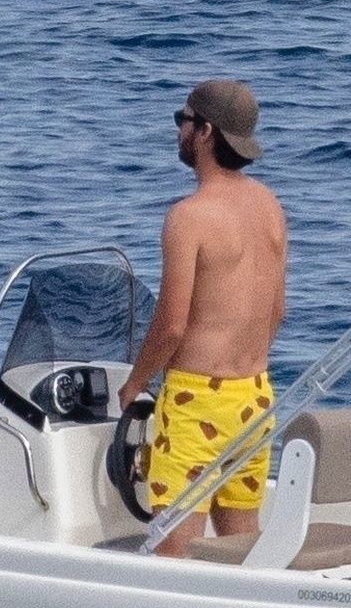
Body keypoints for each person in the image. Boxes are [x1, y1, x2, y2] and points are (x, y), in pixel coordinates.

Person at [118, 79, 288, 558]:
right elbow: (277, 310)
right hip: (255, 397)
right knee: (240, 546)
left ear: (206, 131)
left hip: (197, 402)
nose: (179, 130)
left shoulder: (189, 216)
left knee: (172, 553)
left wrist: (135, 384)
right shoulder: (269, 205)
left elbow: (171, 324)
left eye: (184, 120)